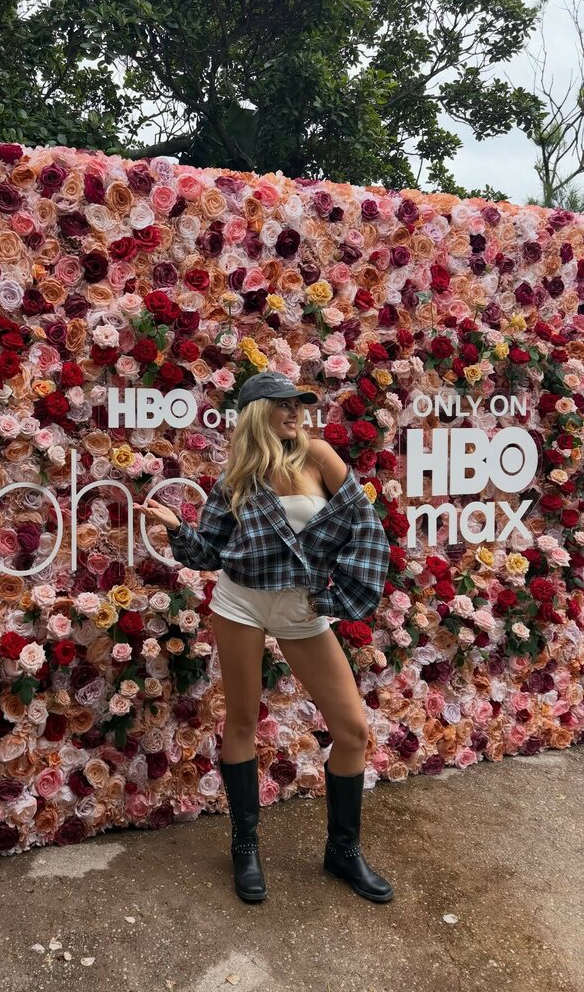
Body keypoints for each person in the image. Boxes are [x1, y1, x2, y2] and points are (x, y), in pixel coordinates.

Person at [133, 372, 393, 905]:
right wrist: (176, 528)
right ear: (257, 412)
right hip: (242, 603)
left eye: (298, 404)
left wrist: (339, 593)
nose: (295, 412)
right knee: (242, 722)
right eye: (282, 404)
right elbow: (209, 554)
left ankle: (343, 851)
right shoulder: (237, 477)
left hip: (300, 607)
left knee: (351, 730)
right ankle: (246, 846)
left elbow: (365, 529)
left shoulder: (318, 456)